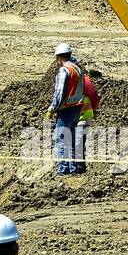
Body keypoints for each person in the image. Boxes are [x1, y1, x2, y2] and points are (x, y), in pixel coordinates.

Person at [47, 43, 84, 176]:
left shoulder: (64, 71)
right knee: (72, 140)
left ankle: (63, 170)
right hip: (76, 109)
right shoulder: (78, 69)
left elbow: (59, 92)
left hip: (65, 110)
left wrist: (52, 109)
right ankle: (73, 168)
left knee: (62, 141)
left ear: (58, 57)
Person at [73, 68, 100, 175]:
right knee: (76, 143)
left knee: (77, 143)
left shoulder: (84, 81)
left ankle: (79, 169)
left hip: (82, 118)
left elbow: (94, 97)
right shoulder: (80, 80)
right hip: (78, 117)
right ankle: (78, 167)